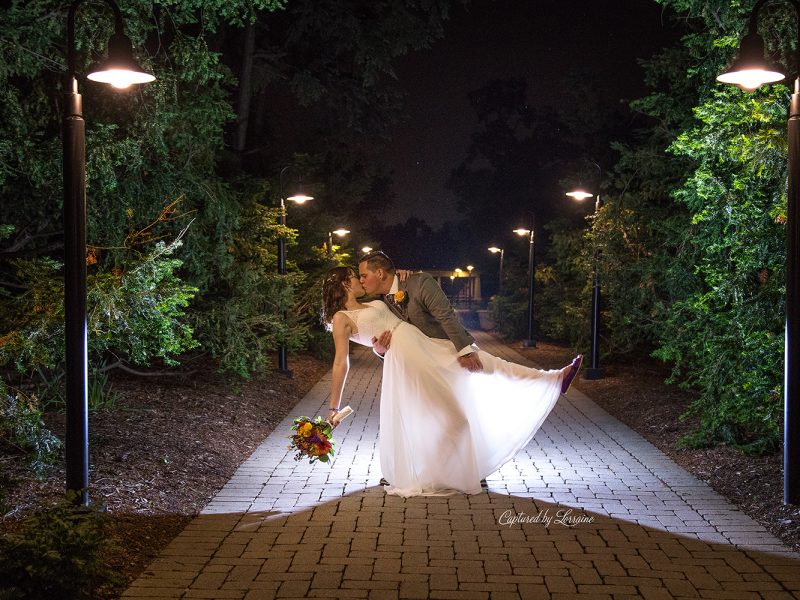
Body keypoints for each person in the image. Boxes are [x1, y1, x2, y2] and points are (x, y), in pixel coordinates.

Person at [322, 265, 582, 497]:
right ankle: (438, 472)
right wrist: (333, 408)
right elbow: (341, 363)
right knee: (453, 417)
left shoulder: (374, 300)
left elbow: (399, 294)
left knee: (485, 361)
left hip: (425, 343)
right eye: (356, 277)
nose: (360, 280)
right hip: (409, 358)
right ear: (345, 283)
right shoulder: (341, 318)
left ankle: (554, 378)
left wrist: (401, 277)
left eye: (363, 275)